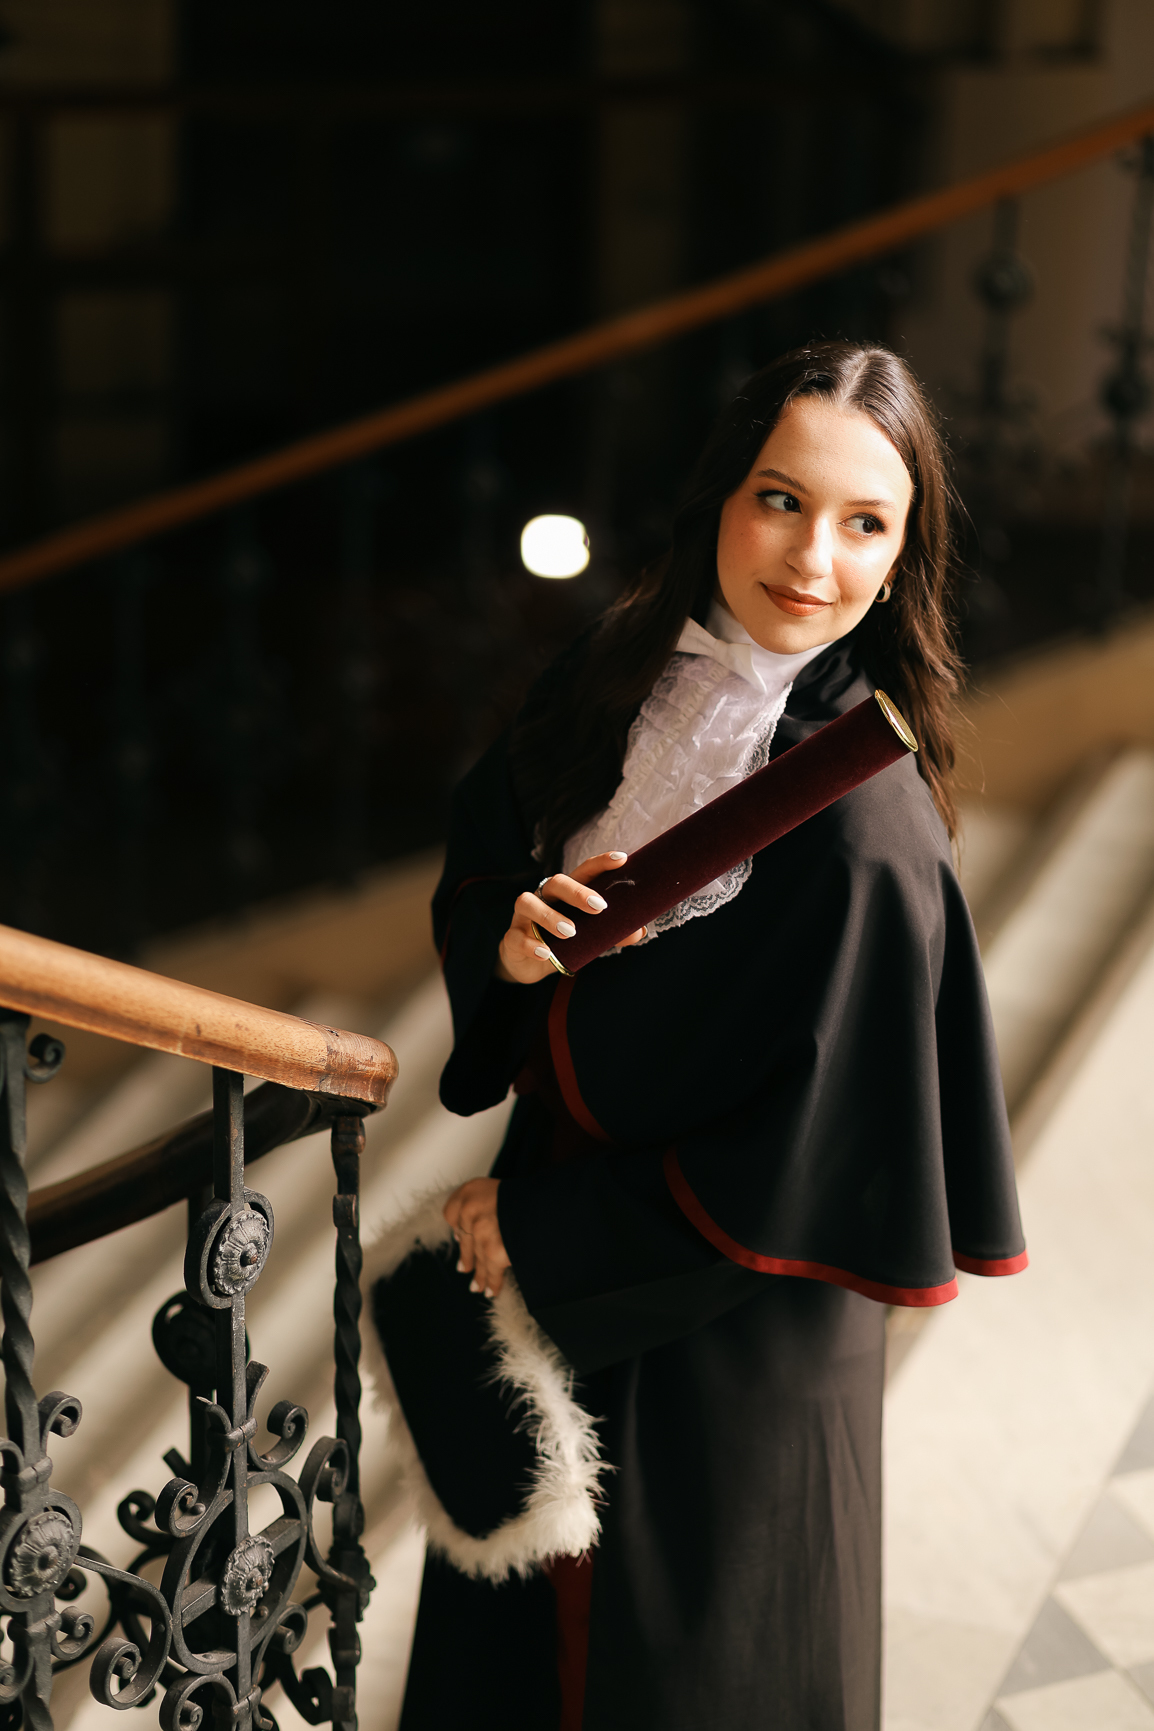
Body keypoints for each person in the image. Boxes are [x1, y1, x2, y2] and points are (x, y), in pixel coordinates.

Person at [400, 340, 1026, 1731]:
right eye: (780, 500)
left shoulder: (868, 829)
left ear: (902, 557)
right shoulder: (609, 677)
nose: (812, 559)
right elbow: (482, 852)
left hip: (731, 1330)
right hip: (557, 1227)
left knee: (684, 1674)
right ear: (720, 502)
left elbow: (815, 1149)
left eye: (864, 524)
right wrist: (508, 944)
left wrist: (539, 1228)